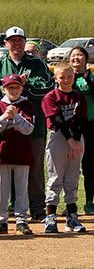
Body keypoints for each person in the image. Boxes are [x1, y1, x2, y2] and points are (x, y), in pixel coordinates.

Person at [0, 27, 53, 223]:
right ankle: (8, 208)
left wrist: (24, 86)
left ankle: (37, 208)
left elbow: (47, 88)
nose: (16, 43)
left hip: (32, 124)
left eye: (20, 40)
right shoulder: (1, 63)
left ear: (24, 42)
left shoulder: (36, 64)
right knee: (4, 167)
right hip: (4, 127)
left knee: (34, 167)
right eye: (12, 40)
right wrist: (11, 85)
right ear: (6, 43)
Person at [43, 62, 88, 233]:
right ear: (56, 78)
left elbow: (81, 121)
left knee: (72, 178)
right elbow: (57, 119)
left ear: (74, 77)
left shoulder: (79, 97)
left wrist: (76, 141)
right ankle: (50, 218)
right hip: (58, 138)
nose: (66, 80)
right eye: (62, 77)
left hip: (76, 139)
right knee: (55, 178)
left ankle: (72, 218)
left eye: (69, 76)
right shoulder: (51, 97)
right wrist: (70, 140)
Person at [67, 46, 94, 216]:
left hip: (90, 123)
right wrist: (72, 77)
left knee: (89, 164)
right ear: (69, 60)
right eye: (73, 56)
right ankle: (70, 201)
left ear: (86, 59)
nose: (76, 58)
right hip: (73, 124)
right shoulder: (67, 79)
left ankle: (89, 202)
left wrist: (88, 78)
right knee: (70, 164)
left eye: (80, 55)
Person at [0, 74, 37, 235]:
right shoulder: (0, 104)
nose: (13, 90)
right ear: (4, 89)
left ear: (22, 88)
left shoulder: (26, 105)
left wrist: (16, 116)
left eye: (16, 87)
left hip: (22, 153)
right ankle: (1, 220)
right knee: (2, 190)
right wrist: (4, 117)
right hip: (3, 154)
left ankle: (22, 220)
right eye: (10, 87)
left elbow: (28, 129)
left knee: (21, 190)